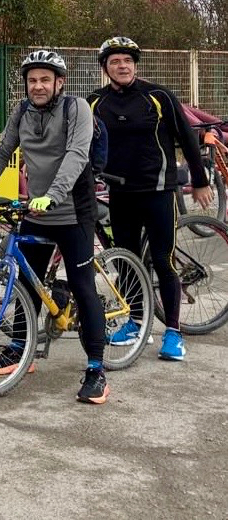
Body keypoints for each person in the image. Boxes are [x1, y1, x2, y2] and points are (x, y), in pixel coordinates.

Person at [0, 50, 111, 404]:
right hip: (37, 209)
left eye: (45, 79)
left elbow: (77, 154)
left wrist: (54, 195)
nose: (38, 86)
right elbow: (2, 151)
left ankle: (96, 370)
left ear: (60, 82)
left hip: (73, 211)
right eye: (32, 80)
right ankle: (19, 350)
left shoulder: (77, 109)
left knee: (83, 285)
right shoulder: (22, 111)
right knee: (26, 282)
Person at [88, 36, 212, 362]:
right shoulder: (94, 102)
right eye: (115, 61)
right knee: (126, 259)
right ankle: (135, 321)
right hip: (120, 193)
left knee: (162, 260)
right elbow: (78, 141)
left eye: (127, 60)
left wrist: (199, 181)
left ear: (135, 65)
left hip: (158, 192)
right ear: (106, 68)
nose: (122, 65)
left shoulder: (158, 96)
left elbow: (186, 136)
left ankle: (173, 332)